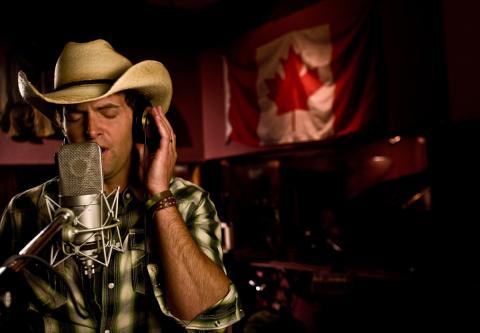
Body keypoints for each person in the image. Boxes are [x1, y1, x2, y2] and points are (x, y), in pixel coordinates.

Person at [0, 39, 243, 332]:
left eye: (108, 112)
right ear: (62, 124)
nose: (91, 129)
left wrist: (160, 198)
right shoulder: (24, 210)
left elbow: (210, 314)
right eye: (76, 115)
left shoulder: (189, 201)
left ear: (138, 121)